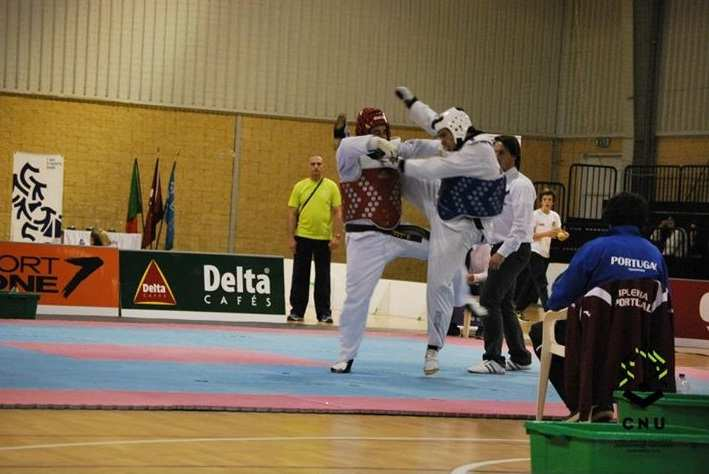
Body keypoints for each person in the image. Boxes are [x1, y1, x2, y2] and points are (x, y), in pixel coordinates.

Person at [394, 86, 505, 375]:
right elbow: (430, 119)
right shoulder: (453, 136)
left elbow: (433, 169)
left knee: (437, 283)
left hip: (461, 228)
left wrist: (400, 163)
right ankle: (390, 149)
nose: (442, 140)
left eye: (445, 135)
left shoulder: (479, 152)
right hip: (443, 203)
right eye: (442, 134)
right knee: (407, 163)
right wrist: (410, 101)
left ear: (458, 129)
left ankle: (433, 348)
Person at [529, 192, 669, 420]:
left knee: (540, 331)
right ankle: (614, 406)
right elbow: (663, 303)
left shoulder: (595, 249)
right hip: (641, 345)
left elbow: (557, 301)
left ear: (608, 217)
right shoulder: (655, 254)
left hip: (598, 339)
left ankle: (587, 405)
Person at [330, 107, 440, 374]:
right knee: (357, 298)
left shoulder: (394, 154)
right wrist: (377, 143)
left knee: (443, 250)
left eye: (384, 131)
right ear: (364, 133)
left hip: (395, 233)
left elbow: (421, 148)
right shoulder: (348, 157)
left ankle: (437, 344)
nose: (382, 136)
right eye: (375, 132)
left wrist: (453, 143)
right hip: (364, 239)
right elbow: (349, 144)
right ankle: (346, 356)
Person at [468, 135, 535, 375]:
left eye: (502, 153)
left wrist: (503, 253)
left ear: (514, 155)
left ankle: (493, 359)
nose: (497, 158)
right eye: (494, 153)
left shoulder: (522, 186)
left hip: (514, 249)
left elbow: (520, 227)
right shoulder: (498, 183)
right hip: (501, 247)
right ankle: (520, 356)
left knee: (488, 300)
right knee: (505, 303)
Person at [287, 155, 343, 324]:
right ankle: (297, 311)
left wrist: (337, 236)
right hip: (302, 237)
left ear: (323, 166)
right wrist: (291, 238)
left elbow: (338, 212)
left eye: (319, 164)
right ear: (308, 166)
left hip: (323, 240)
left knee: (323, 277)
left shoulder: (331, 187)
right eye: (313, 164)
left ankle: (324, 313)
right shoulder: (300, 187)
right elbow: (292, 213)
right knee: (300, 275)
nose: (316, 167)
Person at [514, 189, 568, 312]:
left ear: (553, 202)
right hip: (533, 250)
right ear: (540, 202)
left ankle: (517, 309)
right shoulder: (534, 215)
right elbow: (530, 236)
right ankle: (548, 309)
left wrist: (564, 235)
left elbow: (559, 232)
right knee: (541, 281)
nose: (547, 202)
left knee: (532, 284)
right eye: (544, 199)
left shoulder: (555, 216)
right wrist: (548, 233)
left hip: (545, 253)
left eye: (549, 200)